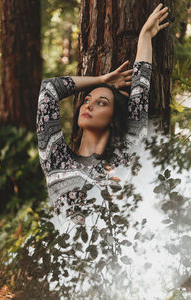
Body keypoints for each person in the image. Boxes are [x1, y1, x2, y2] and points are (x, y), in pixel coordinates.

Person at [36, 4, 169, 220]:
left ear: (114, 120)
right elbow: (49, 89)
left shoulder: (125, 156)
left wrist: (145, 36)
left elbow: (140, 89)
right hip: (68, 252)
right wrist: (102, 80)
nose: (88, 105)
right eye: (87, 100)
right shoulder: (56, 159)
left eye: (101, 103)